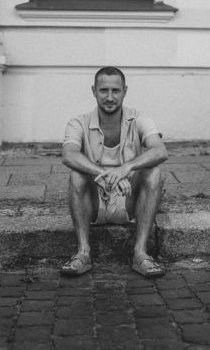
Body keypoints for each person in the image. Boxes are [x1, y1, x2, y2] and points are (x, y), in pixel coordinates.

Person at [61, 66, 168, 277]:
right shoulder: (78, 122)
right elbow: (68, 155)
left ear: (125, 91)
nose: (110, 97)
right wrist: (101, 173)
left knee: (154, 172)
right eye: (103, 90)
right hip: (94, 202)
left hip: (130, 200)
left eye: (115, 91)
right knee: (76, 175)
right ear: (94, 91)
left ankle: (140, 254)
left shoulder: (140, 118)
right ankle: (83, 253)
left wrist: (124, 169)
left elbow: (160, 150)